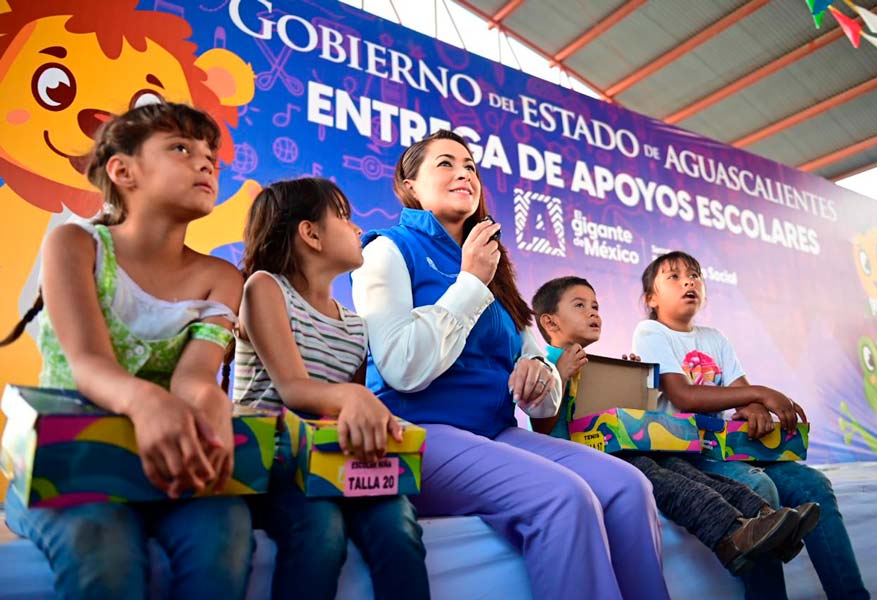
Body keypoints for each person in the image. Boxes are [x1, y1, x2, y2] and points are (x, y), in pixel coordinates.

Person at [351, 129, 670, 600]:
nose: (464, 172)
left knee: (628, 487)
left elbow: (540, 391)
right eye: (445, 163)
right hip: (417, 432)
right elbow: (401, 368)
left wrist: (541, 374)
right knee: (562, 498)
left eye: (471, 166)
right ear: (409, 184)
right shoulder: (387, 250)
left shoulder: (495, 265)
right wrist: (470, 282)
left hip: (496, 432)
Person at [2, 102, 253, 600]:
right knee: (105, 550)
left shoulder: (222, 278)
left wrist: (209, 403)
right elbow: (89, 365)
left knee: (225, 531)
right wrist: (146, 401)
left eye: (212, 156)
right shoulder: (76, 245)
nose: (205, 163)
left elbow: (194, 378)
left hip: (166, 468)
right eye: (181, 148)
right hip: (66, 463)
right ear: (123, 171)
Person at [530, 275, 815, 577]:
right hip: (580, 464)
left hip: (616, 452)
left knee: (681, 467)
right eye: (580, 305)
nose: (593, 312)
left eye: (596, 306)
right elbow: (543, 427)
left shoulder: (595, 365)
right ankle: (729, 534)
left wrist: (634, 384)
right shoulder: (544, 362)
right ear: (550, 323)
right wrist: (559, 375)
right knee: (653, 473)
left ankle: (767, 520)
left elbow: (618, 425)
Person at [632, 250, 870, 600]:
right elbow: (682, 395)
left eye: (695, 274)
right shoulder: (649, 331)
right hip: (688, 455)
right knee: (758, 486)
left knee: (814, 485)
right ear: (651, 299)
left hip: (729, 449)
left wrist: (754, 405)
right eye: (674, 276)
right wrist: (760, 395)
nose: (689, 281)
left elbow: (741, 394)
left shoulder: (715, 337)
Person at [234, 177, 429, 600]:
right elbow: (293, 389)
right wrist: (356, 398)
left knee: (399, 527)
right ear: (310, 234)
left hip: (331, 461)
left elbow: (347, 413)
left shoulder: (357, 328)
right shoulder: (265, 288)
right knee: (321, 529)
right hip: (272, 462)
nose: (358, 228)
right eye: (344, 217)